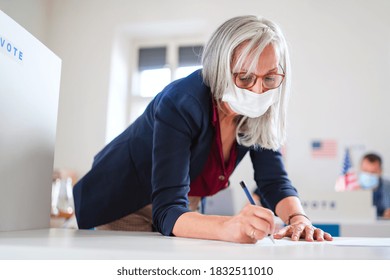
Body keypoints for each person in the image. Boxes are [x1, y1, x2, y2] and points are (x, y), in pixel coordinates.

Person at [73, 15, 333, 243]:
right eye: (244, 78)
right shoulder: (181, 101)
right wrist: (229, 226)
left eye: (269, 78)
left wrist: (299, 219)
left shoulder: (259, 113)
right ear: (220, 68)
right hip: (127, 199)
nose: (258, 90)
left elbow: (274, 180)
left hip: (182, 204)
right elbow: (168, 210)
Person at [359, 153, 390, 218]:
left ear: (380, 171)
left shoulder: (387, 186)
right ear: (360, 169)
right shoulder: (351, 188)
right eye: (365, 171)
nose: (369, 175)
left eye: (373, 172)